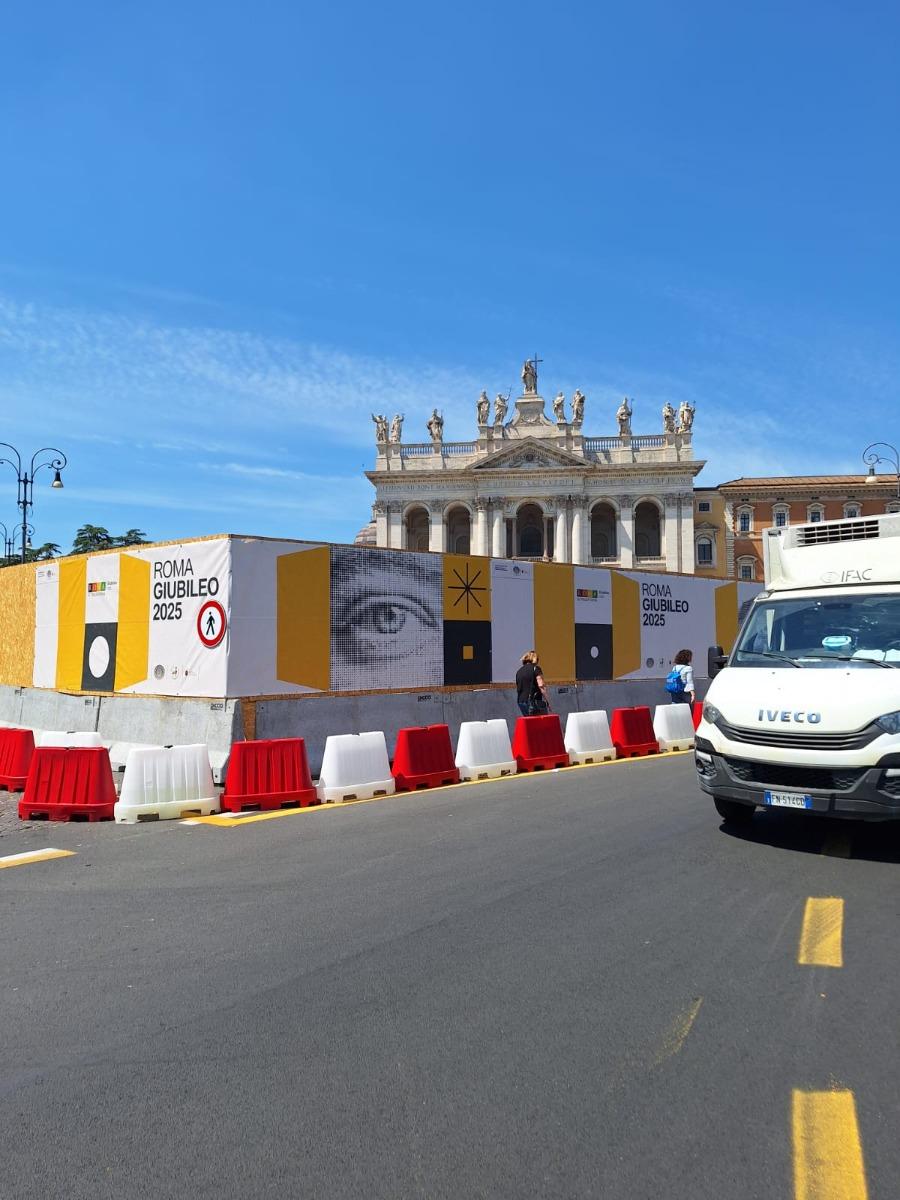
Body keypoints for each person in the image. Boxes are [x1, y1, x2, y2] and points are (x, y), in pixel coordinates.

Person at [515, 650, 551, 717]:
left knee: (530, 721)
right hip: (533, 702)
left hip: (521, 702)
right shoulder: (536, 668)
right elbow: (541, 685)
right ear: (535, 659)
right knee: (542, 722)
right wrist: (548, 701)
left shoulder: (519, 671)